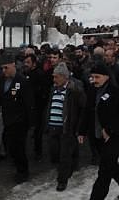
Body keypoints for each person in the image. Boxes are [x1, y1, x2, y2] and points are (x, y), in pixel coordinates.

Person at [79, 61, 119, 200]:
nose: (94, 80)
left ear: (107, 77)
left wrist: (110, 130)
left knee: (104, 171)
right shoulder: (92, 91)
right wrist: (81, 131)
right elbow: (87, 112)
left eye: (97, 77)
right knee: (111, 166)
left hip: (114, 138)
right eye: (92, 77)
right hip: (97, 137)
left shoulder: (117, 93)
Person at [0, 52, 34, 183]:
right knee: (11, 146)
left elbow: (29, 103)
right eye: (2, 68)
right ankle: (17, 165)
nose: (4, 71)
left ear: (13, 65)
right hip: (8, 119)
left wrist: (30, 123)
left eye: (6, 68)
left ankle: (23, 171)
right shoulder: (3, 81)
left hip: (20, 121)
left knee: (19, 147)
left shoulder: (22, 81)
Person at [45, 62, 86, 191]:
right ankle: (70, 164)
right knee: (55, 153)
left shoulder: (74, 91)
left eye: (56, 77)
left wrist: (79, 129)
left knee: (64, 155)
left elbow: (82, 110)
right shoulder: (53, 89)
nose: (54, 79)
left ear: (64, 77)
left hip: (66, 129)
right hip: (53, 127)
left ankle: (62, 180)